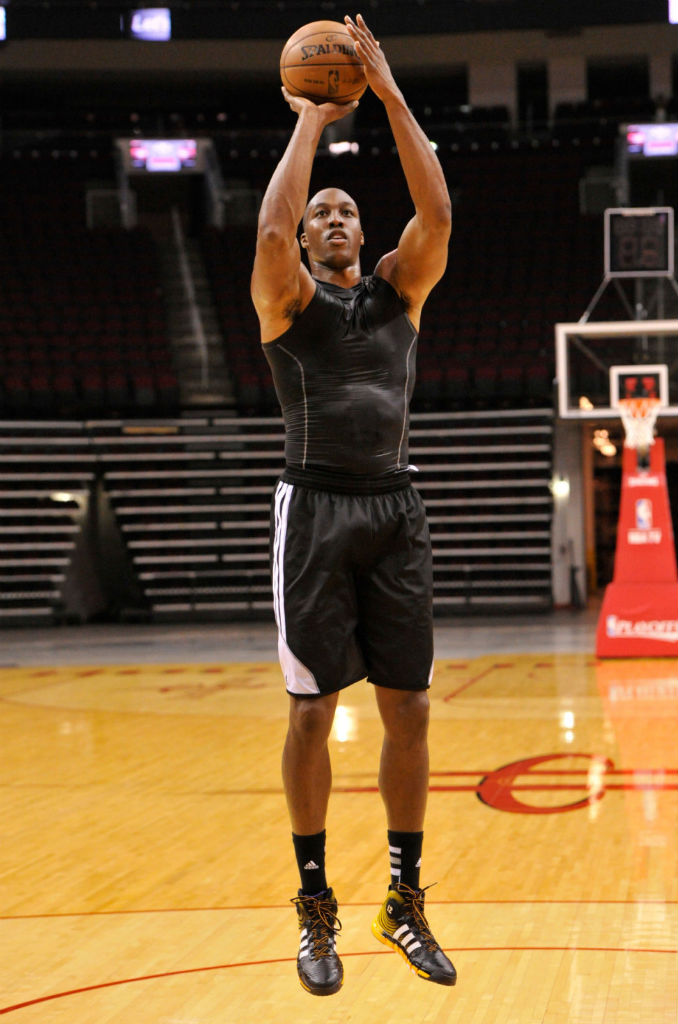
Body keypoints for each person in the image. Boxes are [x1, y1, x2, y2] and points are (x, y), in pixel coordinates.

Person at [250, 13, 455, 996]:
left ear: (365, 233)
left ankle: (403, 898)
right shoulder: (286, 298)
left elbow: (440, 214)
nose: (331, 218)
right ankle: (316, 901)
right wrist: (313, 117)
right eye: (321, 210)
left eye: (344, 212)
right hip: (315, 508)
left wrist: (389, 90)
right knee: (310, 711)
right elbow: (269, 226)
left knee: (410, 705)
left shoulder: (397, 290)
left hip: (394, 506)